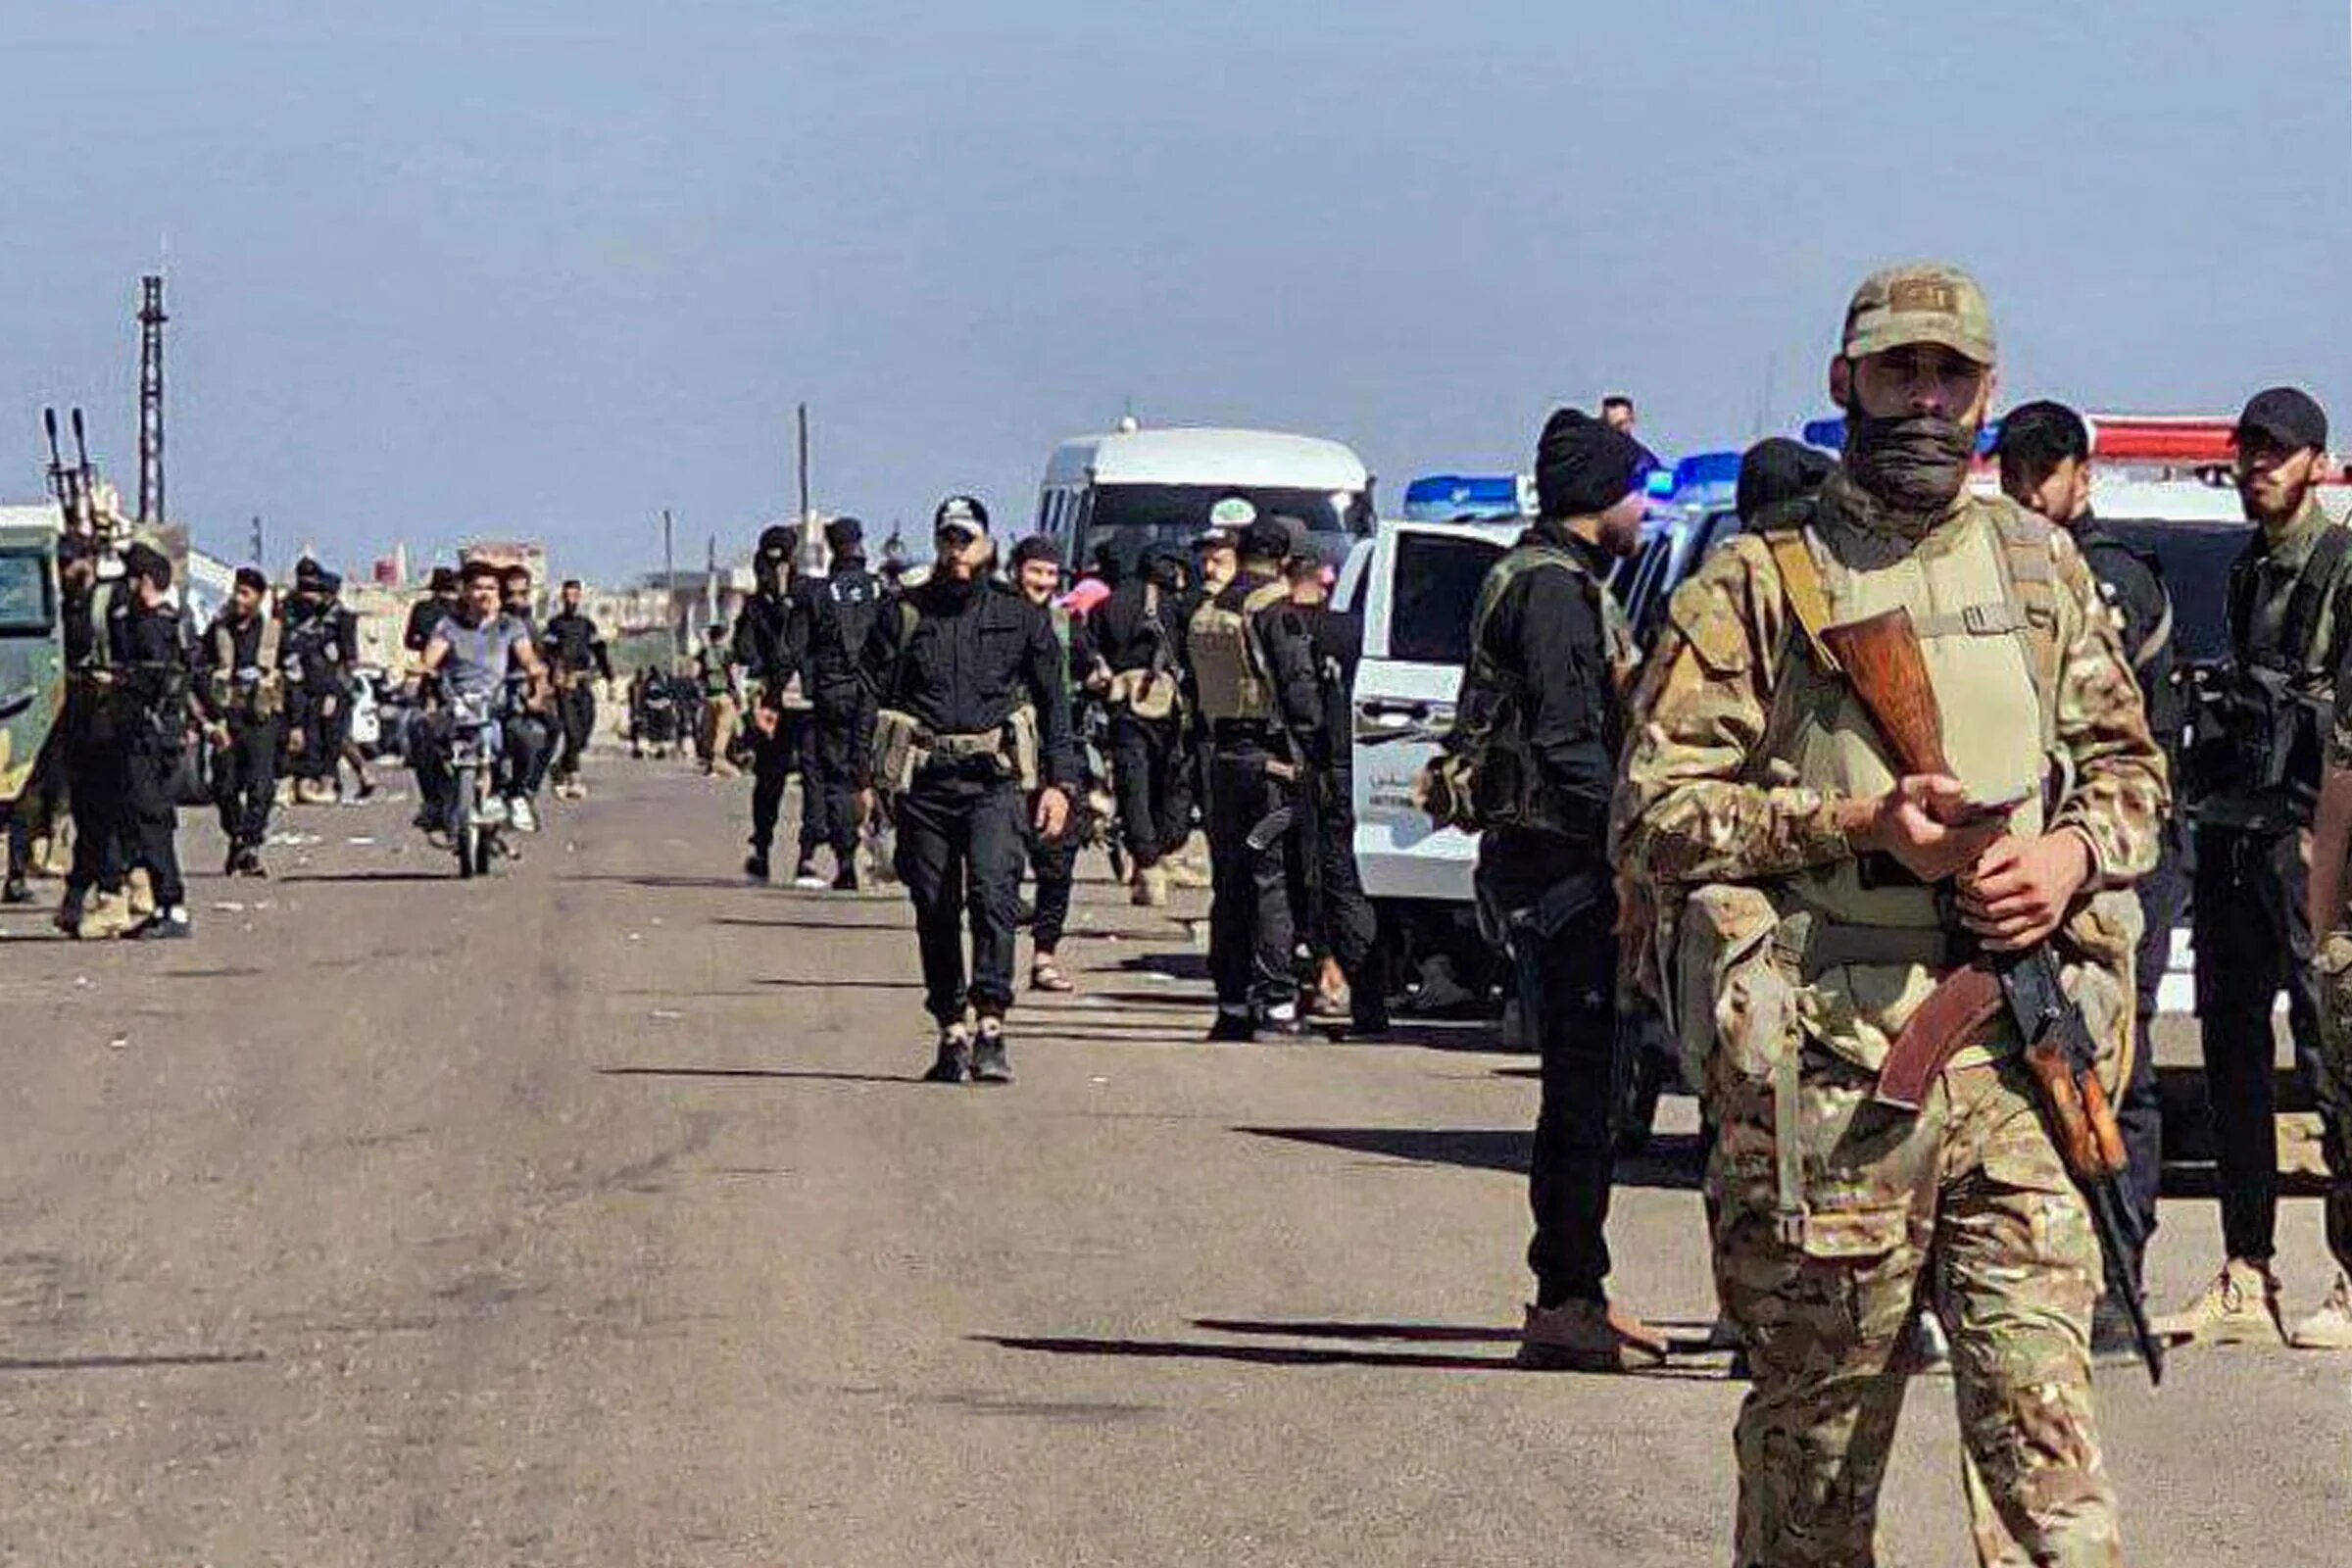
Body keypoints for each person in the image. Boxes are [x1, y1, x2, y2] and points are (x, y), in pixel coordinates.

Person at [1615, 264, 2166, 1562]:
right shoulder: (1761, 584)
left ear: (1990, 393)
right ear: (1843, 383)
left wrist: (2073, 858)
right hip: (1832, 1081)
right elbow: (1654, 814)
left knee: (2052, 1470)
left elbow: (2134, 775)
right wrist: (1857, 825)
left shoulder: (2041, 570)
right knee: (1817, 1455)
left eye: (1951, 376)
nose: (1926, 400)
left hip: (2026, 1069)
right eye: (1899, 372)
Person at [1437, 408, 1660, 1370]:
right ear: (1602, 498)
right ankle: (1566, 1296)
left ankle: (1577, 1286)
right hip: (1564, 867)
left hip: (1548, 861)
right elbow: (1571, 744)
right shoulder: (1558, 595)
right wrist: (1633, 844)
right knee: (1583, 1092)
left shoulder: (1543, 577)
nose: (1645, 512)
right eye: (1636, 493)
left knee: (1590, 1088)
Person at [2158, 385, 2352, 1348]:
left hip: (2315, 839)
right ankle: (2247, 1267)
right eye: (2248, 452)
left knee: (2332, 1056)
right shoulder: (2245, 572)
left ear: (2316, 461)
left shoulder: (2340, 568)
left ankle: (2351, 1277)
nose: (2257, 467)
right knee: (2233, 1048)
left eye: (2276, 454)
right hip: (2237, 829)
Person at [1996, 399, 2180, 1354]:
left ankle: (2116, 1274)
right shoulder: (1993, 569)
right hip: (2014, 856)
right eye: (2017, 475)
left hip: (2107, 859)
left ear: (2079, 475)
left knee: (2112, 1063)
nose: (2030, 494)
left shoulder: (2103, 579)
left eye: (2044, 475)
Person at [857, 496, 1075, 1085]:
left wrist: (1061, 783)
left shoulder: (1019, 614)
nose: (958, 551)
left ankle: (991, 1024)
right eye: (949, 540)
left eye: (967, 540)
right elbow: (870, 696)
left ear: (987, 546)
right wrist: (865, 783)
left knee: (993, 896)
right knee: (932, 902)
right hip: (925, 783)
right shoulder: (904, 614)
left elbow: (1055, 702)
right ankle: (950, 1024)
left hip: (993, 782)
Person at [1191, 516, 1306, 1041]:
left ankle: (1231, 1005)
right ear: (1283, 559)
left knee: (1230, 884)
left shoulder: (1211, 609)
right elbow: (1297, 689)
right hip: (1270, 765)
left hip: (1222, 761)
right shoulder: (1272, 611)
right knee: (1271, 879)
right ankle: (1278, 1005)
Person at [1262, 542, 1383, 1033]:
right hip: (1350, 765)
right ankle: (1360, 993)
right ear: (1328, 576)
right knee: (1341, 884)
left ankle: (1347, 990)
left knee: (1316, 882)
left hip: (1310, 768)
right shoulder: (1354, 632)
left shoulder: (1279, 625)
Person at [410, 560, 552, 836]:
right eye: (477, 587)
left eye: (491, 588)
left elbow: (529, 660)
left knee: (529, 735)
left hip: (496, 705)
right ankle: (433, 802)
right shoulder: (448, 626)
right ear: (465, 591)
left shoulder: (509, 626)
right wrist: (417, 674)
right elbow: (430, 658)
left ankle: (518, 795)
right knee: (418, 728)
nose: (484, 594)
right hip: (458, 704)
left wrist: (537, 685)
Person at [1091, 542, 1194, 906]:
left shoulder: (1105, 606)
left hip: (1122, 704)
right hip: (1167, 705)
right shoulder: (1176, 608)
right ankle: (1160, 854)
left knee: (1132, 785)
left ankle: (1146, 862)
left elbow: (1092, 657)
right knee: (1173, 781)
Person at [1008, 534, 1089, 992]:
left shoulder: (1065, 626)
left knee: (1058, 863)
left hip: (1056, 755)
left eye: (1050, 573)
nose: (1042, 581)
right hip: (1002, 759)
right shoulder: (994, 621)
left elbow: (1091, 669)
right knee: (999, 866)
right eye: (1034, 571)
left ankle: (1044, 955)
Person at [793, 516, 884, 890]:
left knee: (835, 778)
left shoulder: (817, 593)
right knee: (875, 772)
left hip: (832, 694)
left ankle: (846, 862)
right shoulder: (881, 590)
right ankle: (878, 852)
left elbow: (797, 648)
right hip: (876, 695)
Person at [52, 533, 133, 939]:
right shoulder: (65, 604)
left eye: (68, 562)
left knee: (106, 813)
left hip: (109, 719)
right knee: (87, 813)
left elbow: (130, 656)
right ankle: (79, 893)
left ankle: (111, 894)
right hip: (76, 720)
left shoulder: (111, 600)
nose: (63, 571)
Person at [111, 542, 192, 939]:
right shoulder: (164, 621)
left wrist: (118, 681)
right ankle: (163, 904)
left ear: (144, 581)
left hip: (150, 737)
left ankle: (172, 905)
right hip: (153, 735)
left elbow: (155, 680)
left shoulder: (152, 626)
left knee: (151, 820)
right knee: (143, 821)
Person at [192, 565, 286, 877]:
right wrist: (208, 715)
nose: (238, 599)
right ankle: (237, 836)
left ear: (259, 597)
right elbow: (199, 669)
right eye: (237, 591)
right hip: (227, 716)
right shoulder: (218, 630)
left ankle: (250, 843)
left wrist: (295, 723)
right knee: (225, 785)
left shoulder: (273, 631)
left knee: (261, 787)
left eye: (246, 593)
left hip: (261, 717)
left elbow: (294, 677)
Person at [734, 525, 807, 881]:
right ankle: (764, 847)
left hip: (802, 701)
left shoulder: (807, 597)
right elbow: (744, 651)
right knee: (771, 780)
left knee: (810, 779)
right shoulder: (757, 605)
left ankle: (802, 854)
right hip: (777, 704)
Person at [541, 578, 614, 801]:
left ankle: (560, 767)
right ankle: (573, 778)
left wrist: (610, 678)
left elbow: (599, 650)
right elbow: (547, 653)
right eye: (567, 596)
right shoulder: (555, 625)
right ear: (562, 598)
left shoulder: (586, 624)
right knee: (572, 732)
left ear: (580, 597)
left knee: (584, 732)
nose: (571, 599)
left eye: (575, 595)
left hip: (584, 682)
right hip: (564, 684)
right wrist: (555, 675)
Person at [697, 623, 742, 779]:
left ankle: (711, 765)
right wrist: (738, 695)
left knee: (709, 730)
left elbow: (699, 675)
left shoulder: (704, 653)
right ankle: (719, 761)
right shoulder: (727, 653)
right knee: (723, 731)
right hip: (725, 696)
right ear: (723, 637)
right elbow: (733, 675)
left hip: (709, 696)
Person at [404, 565, 461, 657]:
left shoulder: (420, 607)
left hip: (429, 663)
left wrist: (428, 646)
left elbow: (409, 642)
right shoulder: (459, 609)